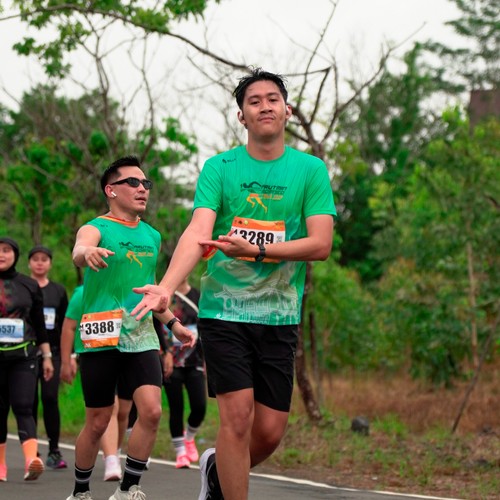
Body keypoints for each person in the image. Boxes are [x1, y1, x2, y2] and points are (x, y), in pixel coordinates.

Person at [131, 69, 337, 500]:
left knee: (269, 431)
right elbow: (197, 231)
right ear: (242, 116)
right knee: (237, 419)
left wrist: (257, 250)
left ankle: (215, 471)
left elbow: (320, 244)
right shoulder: (219, 168)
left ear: (287, 110)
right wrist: (167, 286)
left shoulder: (310, 170)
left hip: (279, 314)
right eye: (254, 101)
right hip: (224, 312)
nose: (264, 106)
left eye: (272, 99)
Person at [64, 155, 195, 500]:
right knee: (97, 421)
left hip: (141, 336)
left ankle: (128, 489)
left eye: (146, 183)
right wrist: (86, 252)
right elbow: (80, 248)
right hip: (100, 336)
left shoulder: (152, 236)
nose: (142, 189)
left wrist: (174, 324)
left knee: (151, 411)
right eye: (133, 183)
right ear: (111, 190)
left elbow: (150, 292)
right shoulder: (97, 227)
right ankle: (80, 492)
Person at [60, 285, 132, 483]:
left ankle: (114, 451)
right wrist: (66, 361)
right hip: (98, 355)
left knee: (124, 410)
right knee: (111, 408)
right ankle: (111, 459)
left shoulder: (128, 288)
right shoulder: (82, 293)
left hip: (128, 353)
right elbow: (69, 327)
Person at [0, 237, 54, 482]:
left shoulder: (29, 284)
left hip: (24, 356)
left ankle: (31, 460)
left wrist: (47, 356)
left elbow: (40, 325)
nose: (1, 255)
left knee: (23, 405)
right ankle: (0, 465)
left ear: (15, 255)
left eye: (6, 250)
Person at [28, 244, 69, 469]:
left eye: (44, 259)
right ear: (29, 263)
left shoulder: (58, 291)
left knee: (50, 398)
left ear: (50, 263)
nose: (40, 263)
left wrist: (69, 356)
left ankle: (54, 450)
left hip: (52, 352)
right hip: (26, 352)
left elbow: (66, 325)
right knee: (29, 401)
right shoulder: (22, 287)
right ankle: (31, 451)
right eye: (36, 259)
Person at [162, 277, 206, 469]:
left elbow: (205, 326)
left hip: (195, 359)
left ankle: (189, 437)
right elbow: (158, 325)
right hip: (171, 361)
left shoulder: (198, 295)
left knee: (199, 406)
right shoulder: (165, 295)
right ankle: (180, 452)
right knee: (176, 407)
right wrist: (165, 352)